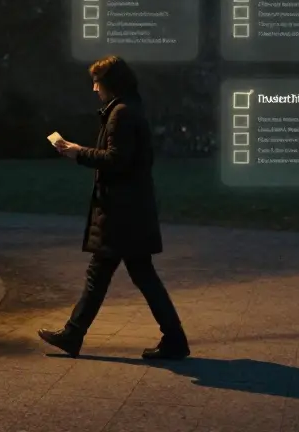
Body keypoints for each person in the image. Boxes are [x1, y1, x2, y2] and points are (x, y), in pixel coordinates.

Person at [39, 55, 190, 360]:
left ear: (110, 83)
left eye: (97, 82)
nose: (94, 88)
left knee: (111, 275)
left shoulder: (121, 113)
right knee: (132, 275)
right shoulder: (129, 109)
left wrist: (78, 152)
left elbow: (116, 160)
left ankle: (75, 334)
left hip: (121, 212)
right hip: (129, 210)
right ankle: (171, 338)